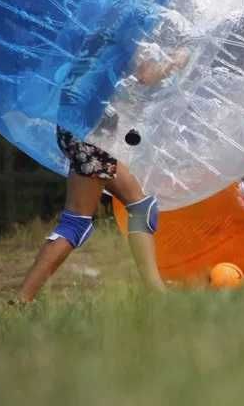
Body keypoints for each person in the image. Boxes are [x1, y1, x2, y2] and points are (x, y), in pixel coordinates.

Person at [15, 50, 190, 303]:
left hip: (77, 127)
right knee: (76, 223)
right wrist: (175, 62)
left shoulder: (102, 24)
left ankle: (156, 292)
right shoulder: (132, 24)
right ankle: (21, 300)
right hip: (92, 134)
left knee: (141, 207)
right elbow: (146, 74)